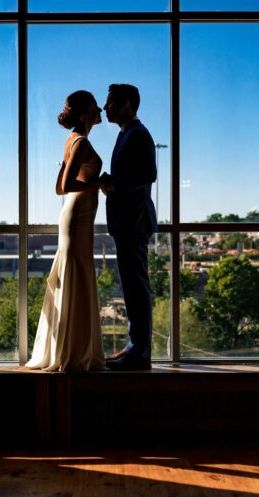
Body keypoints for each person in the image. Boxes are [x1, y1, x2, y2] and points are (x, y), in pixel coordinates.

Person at [26, 91, 105, 372]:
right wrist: (97, 184)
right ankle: (74, 351)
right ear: (85, 115)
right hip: (78, 214)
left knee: (76, 273)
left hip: (75, 213)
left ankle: (70, 347)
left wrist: (92, 183)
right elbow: (64, 186)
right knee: (78, 273)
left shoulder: (72, 140)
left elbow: (61, 185)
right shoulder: (81, 142)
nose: (101, 111)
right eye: (96, 107)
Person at [99, 84, 157, 371]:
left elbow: (148, 174)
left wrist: (112, 184)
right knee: (132, 288)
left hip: (133, 221)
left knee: (137, 287)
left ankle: (140, 352)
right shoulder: (127, 134)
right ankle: (135, 347)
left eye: (110, 103)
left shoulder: (138, 134)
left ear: (127, 104)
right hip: (128, 221)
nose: (105, 107)